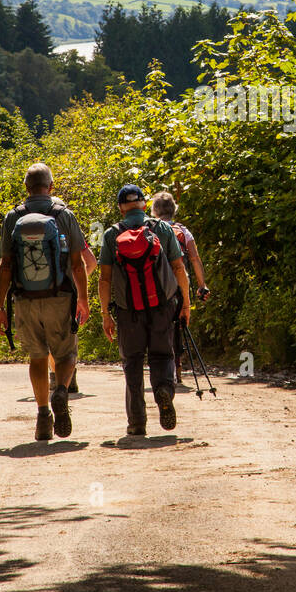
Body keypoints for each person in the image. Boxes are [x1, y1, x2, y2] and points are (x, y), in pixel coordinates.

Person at [0, 163, 90, 442]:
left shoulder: (13, 217)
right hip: (60, 296)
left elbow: (6, 264)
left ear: (26, 187)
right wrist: (83, 298)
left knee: (37, 357)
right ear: (51, 186)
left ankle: (43, 416)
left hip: (24, 298)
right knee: (66, 354)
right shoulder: (64, 214)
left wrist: (0, 308)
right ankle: (61, 389)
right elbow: (77, 262)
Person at [98, 184, 191, 436]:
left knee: (133, 362)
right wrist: (185, 303)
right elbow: (178, 268)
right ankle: (163, 389)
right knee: (163, 356)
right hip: (162, 306)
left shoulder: (110, 235)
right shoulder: (161, 228)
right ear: (143, 204)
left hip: (128, 311)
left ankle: (137, 422)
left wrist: (106, 314)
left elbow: (104, 279)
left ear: (120, 207)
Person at [150, 190, 210, 384]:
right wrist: (202, 285)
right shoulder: (183, 230)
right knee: (179, 324)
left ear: (154, 210)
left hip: (155, 285)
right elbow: (194, 257)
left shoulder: (149, 228)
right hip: (179, 283)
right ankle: (178, 367)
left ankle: (159, 367)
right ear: (174, 209)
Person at [48, 240, 98, 395]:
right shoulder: (70, 231)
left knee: (48, 337)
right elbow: (91, 262)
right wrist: (77, 283)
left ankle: (56, 377)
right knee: (69, 338)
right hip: (68, 293)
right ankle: (70, 378)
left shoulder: (30, 229)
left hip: (39, 293)